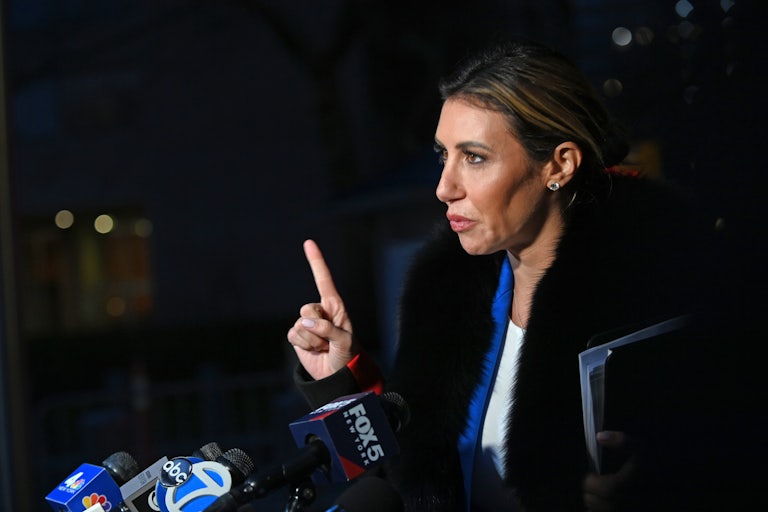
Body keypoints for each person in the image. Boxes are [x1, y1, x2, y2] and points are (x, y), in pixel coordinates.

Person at [286, 39, 763, 511]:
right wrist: (341, 382)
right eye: (442, 155)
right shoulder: (444, 294)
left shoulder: (665, 295)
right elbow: (404, 482)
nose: (443, 188)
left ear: (559, 164)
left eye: (474, 157)